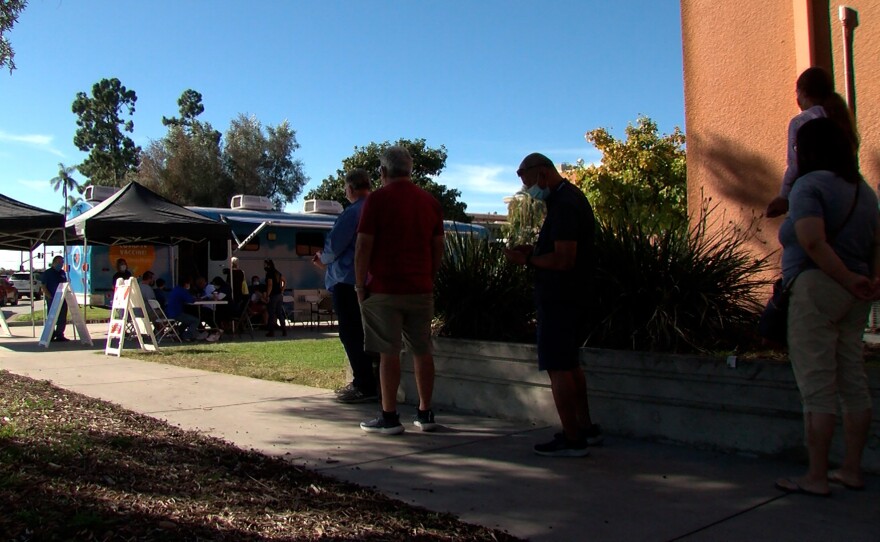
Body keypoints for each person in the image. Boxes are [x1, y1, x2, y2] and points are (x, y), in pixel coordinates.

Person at [774, 117, 878, 496]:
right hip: (856, 294)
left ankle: (815, 476)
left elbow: (813, 242)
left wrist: (846, 278)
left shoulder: (808, 186)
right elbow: (875, 244)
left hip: (818, 287)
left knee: (816, 385)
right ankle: (851, 469)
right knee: (853, 380)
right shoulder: (864, 193)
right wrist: (866, 280)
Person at [503, 152, 602, 457]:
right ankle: (585, 427)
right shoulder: (567, 199)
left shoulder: (564, 205)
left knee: (558, 367)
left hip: (561, 299)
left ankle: (573, 438)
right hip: (572, 297)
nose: (528, 190)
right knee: (571, 364)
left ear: (543, 173)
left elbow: (564, 258)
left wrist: (528, 259)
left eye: (528, 182)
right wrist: (535, 249)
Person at [355, 146, 444, 434]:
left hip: (384, 289)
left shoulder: (377, 201)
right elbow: (438, 247)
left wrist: (359, 286)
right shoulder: (430, 202)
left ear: (382, 172)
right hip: (420, 288)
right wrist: (428, 276)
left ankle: (390, 416)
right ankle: (425, 413)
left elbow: (363, 246)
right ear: (411, 170)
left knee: (388, 352)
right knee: (422, 350)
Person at [313, 168, 379, 404]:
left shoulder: (352, 212)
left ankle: (363, 384)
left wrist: (323, 259)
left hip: (348, 281)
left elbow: (335, 246)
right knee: (371, 333)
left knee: (350, 333)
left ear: (350, 188)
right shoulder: (378, 208)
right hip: (374, 281)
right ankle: (375, 381)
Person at [766, 67, 860, 218]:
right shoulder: (839, 116)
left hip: (815, 195)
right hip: (847, 192)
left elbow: (795, 164)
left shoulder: (801, 121)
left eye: (798, 94)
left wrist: (784, 197)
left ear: (803, 93)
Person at [40, 255, 70, 342]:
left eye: (62, 262)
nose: (61, 264)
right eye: (60, 262)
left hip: (62, 298)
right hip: (52, 298)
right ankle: (51, 334)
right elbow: (43, 286)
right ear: (54, 263)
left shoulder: (62, 272)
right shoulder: (48, 273)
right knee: (52, 317)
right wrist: (49, 296)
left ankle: (60, 334)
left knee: (62, 316)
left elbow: (64, 283)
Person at [262, 259, 286, 337]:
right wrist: (282, 290)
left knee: (271, 314)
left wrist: (267, 295)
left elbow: (270, 285)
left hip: (273, 296)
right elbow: (284, 281)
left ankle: (271, 332)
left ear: (268, 265)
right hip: (279, 295)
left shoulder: (269, 273)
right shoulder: (277, 272)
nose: (264, 266)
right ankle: (284, 330)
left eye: (265, 264)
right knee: (279, 313)